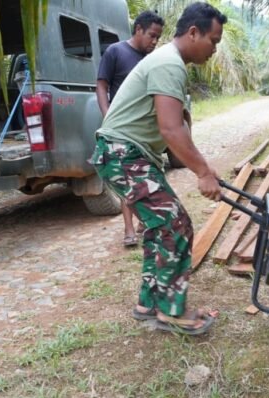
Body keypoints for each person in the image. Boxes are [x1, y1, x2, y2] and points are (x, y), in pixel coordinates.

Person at [90, 2, 226, 335]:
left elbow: (176, 129)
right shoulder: (169, 64)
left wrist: (204, 167)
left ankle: (149, 303)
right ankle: (172, 312)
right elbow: (171, 129)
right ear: (193, 33)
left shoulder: (167, 60)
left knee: (159, 227)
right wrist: (203, 173)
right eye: (213, 41)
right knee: (175, 225)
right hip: (123, 155)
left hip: (123, 154)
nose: (214, 49)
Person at [96, 10, 164, 247]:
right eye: (152, 36)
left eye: (158, 38)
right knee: (128, 180)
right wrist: (108, 117)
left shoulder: (151, 60)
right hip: (123, 130)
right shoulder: (116, 51)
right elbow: (101, 86)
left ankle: (146, 222)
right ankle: (129, 229)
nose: (154, 42)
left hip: (145, 130)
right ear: (138, 29)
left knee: (150, 177)